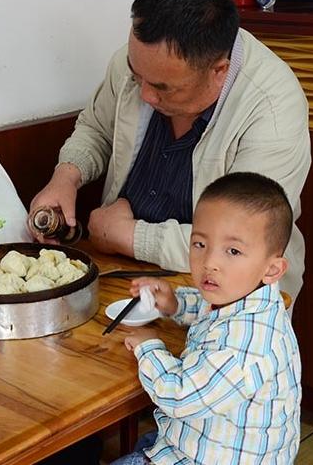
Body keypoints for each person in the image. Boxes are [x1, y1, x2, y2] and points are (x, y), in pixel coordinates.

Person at [29, 0, 310, 307]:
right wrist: (67, 176)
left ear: (218, 70)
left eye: (163, 88)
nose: (145, 94)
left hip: (231, 298)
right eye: (137, 77)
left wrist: (130, 236)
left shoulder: (272, 106)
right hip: (121, 272)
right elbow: (96, 129)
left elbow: (244, 239)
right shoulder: (143, 62)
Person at [111, 172, 302, 465]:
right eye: (200, 244)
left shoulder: (248, 342)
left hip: (202, 455)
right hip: (206, 440)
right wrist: (174, 303)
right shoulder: (245, 299)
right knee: (147, 441)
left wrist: (149, 347)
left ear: (273, 270)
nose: (210, 262)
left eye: (233, 251)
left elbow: (179, 395)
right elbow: (208, 307)